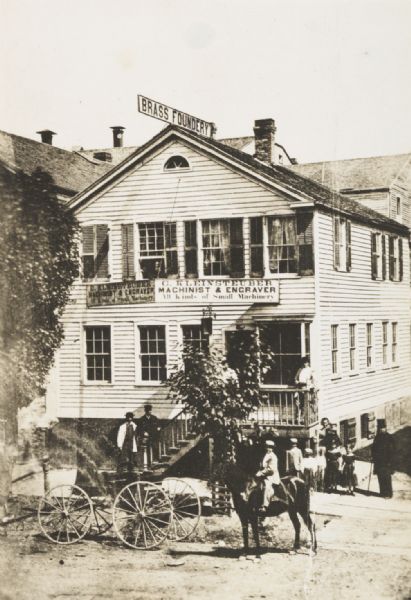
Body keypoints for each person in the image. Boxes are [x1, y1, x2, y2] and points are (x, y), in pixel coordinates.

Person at [371, 420, 395, 498]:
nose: (382, 430)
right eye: (380, 428)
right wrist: (372, 457)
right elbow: (373, 448)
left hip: (387, 461)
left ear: (386, 428)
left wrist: (390, 461)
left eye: (383, 428)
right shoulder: (377, 438)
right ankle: (382, 493)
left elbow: (393, 450)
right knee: (380, 477)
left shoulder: (389, 437)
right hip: (378, 462)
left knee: (387, 478)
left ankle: (389, 493)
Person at [256, 440, 281, 513]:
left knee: (266, 486)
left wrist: (261, 473)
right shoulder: (265, 455)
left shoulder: (273, 456)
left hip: (271, 476)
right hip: (264, 475)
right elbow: (262, 465)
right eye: (267, 447)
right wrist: (259, 471)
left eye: (270, 447)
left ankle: (264, 505)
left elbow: (271, 469)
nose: (268, 449)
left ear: (273, 448)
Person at [137, 404, 161, 468]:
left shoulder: (154, 418)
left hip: (154, 437)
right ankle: (148, 464)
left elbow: (159, 426)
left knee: (155, 448)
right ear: (146, 411)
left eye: (150, 410)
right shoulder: (142, 419)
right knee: (147, 451)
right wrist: (143, 432)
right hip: (146, 438)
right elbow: (139, 429)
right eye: (148, 411)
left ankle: (155, 462)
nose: (149, 412)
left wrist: (158, 428)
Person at [294, 357, 315, 423]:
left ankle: (305, 419)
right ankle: (298, 418)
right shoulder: (300, 369)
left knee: (306, 404)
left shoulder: (311, 370)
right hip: (299, 388)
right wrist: (296, 381)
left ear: (308, 363)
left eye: (306, 362)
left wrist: (310, 385)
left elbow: (313, 380)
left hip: (307, 388)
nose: (305, 364)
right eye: (304, 362)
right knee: (298, 404)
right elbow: (296, 378)